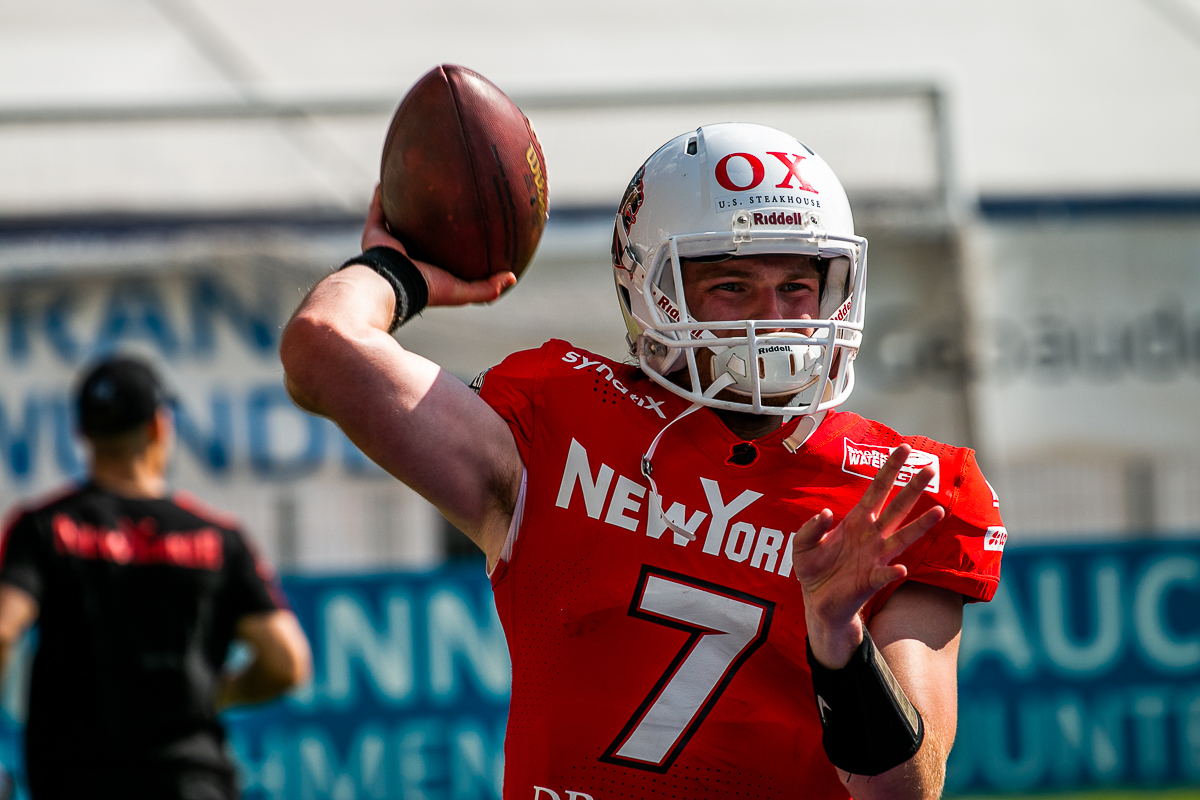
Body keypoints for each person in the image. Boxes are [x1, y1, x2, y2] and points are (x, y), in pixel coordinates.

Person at [281, 123, 1006, 800]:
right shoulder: (560, 423)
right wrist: (394, 268)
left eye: (797, 284)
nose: (773, 314)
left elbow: (904, 790)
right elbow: (324, 349)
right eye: (732, 286)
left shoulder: (899, 491)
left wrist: (841, 646)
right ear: (651, 287)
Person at [0, 356, 312, 800]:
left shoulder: (42, 527)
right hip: (189, 778)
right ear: (158, 428)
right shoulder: (218, 538)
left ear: (82, 433)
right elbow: (287, 663)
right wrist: (214, 695)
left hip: (75, 778)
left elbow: (2, 629)